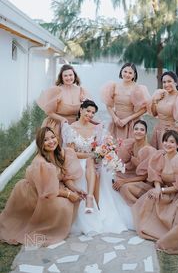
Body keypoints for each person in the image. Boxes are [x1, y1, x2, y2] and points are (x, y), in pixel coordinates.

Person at [0, 127, 86, 246]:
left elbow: (65, 177)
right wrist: (69, 194)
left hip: (51, 188)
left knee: (74, 198)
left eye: (52, 137)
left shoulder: (59, 153)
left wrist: (75, 189)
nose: (51, 142)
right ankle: (49, 228)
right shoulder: (40, 162)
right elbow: (49, 190)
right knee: (63, 205)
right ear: (41, 144)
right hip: (36, 193)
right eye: (46, 140)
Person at [62, 99, 134, 235]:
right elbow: (71, 153)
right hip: (77, 161)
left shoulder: (96, 129)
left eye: (93, 113)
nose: (90, 114)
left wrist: (100, 154)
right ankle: (89, 202)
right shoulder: (70, 128)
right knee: (88, 167)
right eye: (88, 111)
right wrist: (90, 155)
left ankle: (98, 206)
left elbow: (101, 148)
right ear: (81, 110)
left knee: (99, 170)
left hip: (93, 160)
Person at [132, 130, 178, 241]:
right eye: (165, 141)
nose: (168, 144)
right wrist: (157, 188)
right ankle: (145, 226)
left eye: (172, 142)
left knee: (156, 197)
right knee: (150, 195)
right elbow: (156, 174)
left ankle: (160, 231)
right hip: (163, 190)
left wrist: (161, 190)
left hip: (176, 194)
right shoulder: (160, 155)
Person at [37, 64, 88, 140]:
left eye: (70, 75)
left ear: (74, 75)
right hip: (57, 125)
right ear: (62, 77)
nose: (68, 78)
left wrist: (84, 102)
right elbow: (48, 112)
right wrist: (62, 119)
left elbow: (89, 109)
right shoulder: (57, 90)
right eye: (65, 76)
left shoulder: (81, 90)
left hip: (76, 126)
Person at [101, 62, 151, 140]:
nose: (127, 75)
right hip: (116, 122)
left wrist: (127, 119)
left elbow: (144, 109)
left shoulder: (138, 88)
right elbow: (108, 104)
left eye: (130, 73)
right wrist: (115, 118)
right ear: (121, 71)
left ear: (134, 75)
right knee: (113, 146)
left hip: (131, 123)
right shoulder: (114, 86)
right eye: (125, 71)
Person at [112, 120, 157, 205]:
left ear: (146, 133)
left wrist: (125, 181)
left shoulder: (149, 150)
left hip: (144, 182)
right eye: (136, 129)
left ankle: (139, 207)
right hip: (131, 175)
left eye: (142, 130)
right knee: (112, 179)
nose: (138, 131)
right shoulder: (130, 143)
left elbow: (144, 177)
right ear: (133, 131)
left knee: (124, 187)